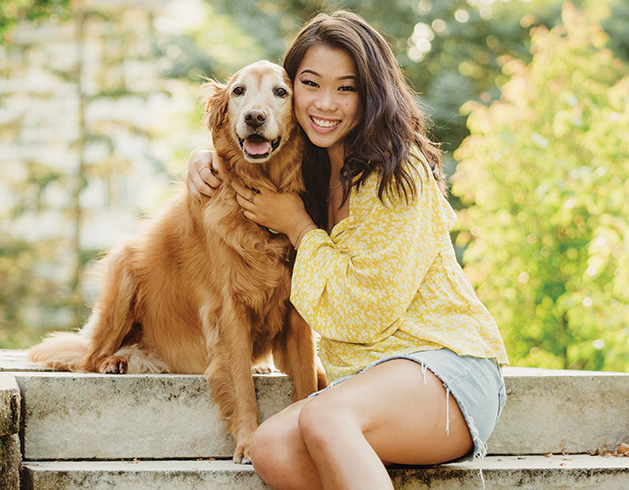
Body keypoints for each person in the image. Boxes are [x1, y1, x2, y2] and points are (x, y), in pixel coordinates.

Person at [187, 10, 508, 490]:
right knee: (270, 447)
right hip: (365, 387)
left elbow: (365, 311)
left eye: (347, 88)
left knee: (323, 419)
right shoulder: (309, 173)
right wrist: (204, 157)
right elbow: (246, 140)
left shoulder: (400, 175)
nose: (325, 103)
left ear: (372, 94)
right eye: (310, 84)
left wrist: (298, 226)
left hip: (442, 369)